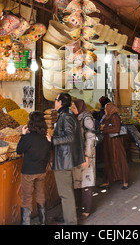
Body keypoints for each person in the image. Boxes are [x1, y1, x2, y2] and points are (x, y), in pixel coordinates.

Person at [51, 93, 85, 225]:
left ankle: (71, 222)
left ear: (60, 102)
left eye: (56, 99)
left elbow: (70, 137)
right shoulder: (65, 116)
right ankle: (68, 217)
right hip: (65, 158)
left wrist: (52, 140)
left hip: (64, 160)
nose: (54, 102)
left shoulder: (66, 117)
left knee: (66, 194)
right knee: (66, 192)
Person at [16, 111, 51, 225]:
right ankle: (43, 222)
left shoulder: (28, 137)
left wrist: (23, 134)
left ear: (31, 122)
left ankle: (26, 223)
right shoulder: (46, 136)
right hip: (41, 171)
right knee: (41, 195)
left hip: (28, 172)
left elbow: (19, 150)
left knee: (26, 198)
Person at [71, 99, 96, 219]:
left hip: (86, 154)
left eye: (74, 107)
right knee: (77, 179)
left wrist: (86, 155)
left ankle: (86, 209)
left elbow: (90, 138)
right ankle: (79, 205)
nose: (72, 109)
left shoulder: (87, 119)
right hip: (78, 154)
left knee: (86, 180)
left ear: (80, 107)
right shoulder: (77, 118)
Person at [99, 102, 129, 190]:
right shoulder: (109, 117)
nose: (105, 110)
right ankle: (109, 180)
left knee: (120, 160)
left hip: (115, 143)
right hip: (110, 143)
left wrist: (104, 129)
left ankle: (125, 181)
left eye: (106, 108)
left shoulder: (114, 117)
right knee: (110, 160)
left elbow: (116, 129)